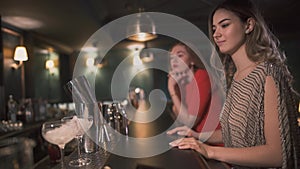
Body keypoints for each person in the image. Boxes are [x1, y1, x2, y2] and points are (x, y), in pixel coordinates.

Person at [167, 0, 300, 168]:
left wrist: (210, 151)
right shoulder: (236, 76)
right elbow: (236, 134)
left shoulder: (268, 75)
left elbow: (277, 154)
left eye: (225, 25)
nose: (216, 34)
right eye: (214, 29)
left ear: (248, 25)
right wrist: (198, 135)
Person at [168, 42, 216, 133]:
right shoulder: (184, 83)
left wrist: (171, 88)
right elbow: (179, 118)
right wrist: (176, 89)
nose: (174, 60)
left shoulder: (202, 76)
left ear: (192, 60)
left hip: (214, 143)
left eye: (180, 55)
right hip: (198, 138)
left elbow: (189, 122)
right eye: (172, 57)